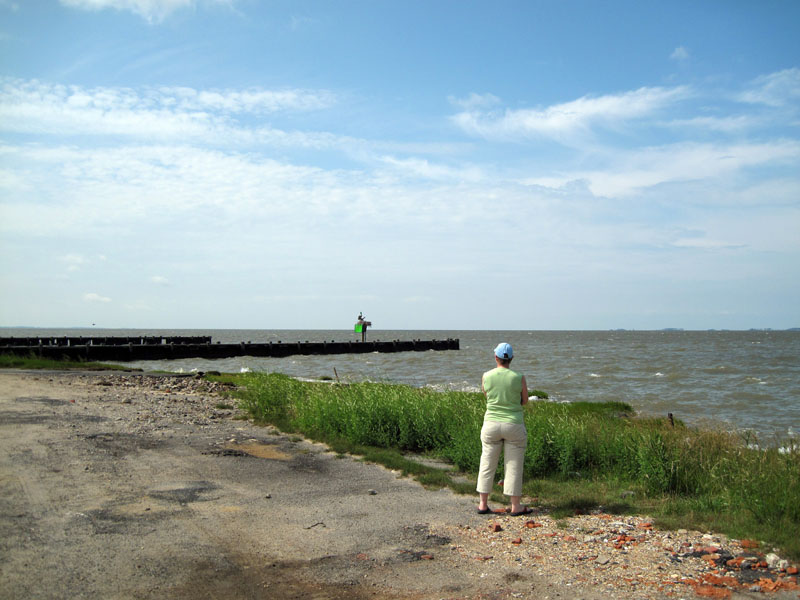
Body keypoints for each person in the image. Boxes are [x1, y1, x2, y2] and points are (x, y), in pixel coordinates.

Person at [476, 342, 531, 516]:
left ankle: (483, 504)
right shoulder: (519, 377)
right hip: (513, 424)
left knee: (487, 463)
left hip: (491, 424)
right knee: (514, 464)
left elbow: (487, 395)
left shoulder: (486, 376)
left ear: (496, 357)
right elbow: (524, 400)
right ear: (511, 358)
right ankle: (516, 506)